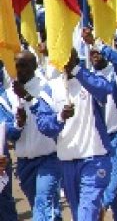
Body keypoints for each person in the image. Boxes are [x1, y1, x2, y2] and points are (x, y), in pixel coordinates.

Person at [35, 49, 112, 221]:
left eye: (72, 59)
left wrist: (77, 70)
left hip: (95, 158)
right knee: (79, 214)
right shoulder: (51, 89)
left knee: (86, 212)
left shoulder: (90, 80)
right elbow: (43, 125)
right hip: (67, 162)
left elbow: (105, 90)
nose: (68, 63)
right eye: (65, 59)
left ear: (77, 60)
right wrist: (60, 117)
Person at [0, 51, 61, 221]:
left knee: (43, 204)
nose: (20, 70)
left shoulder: (46, 88)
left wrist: (27, 97)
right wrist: (19, 124)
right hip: (25, 163)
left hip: (49, 158)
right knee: (43, 208)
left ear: (34, 66)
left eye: (24, 65)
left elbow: (53, 121)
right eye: (17, 66)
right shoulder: (7, 97)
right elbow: (8, 134)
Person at [81, 29, 117, 221]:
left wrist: (97, 43)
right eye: (91, 51)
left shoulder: (115, 73)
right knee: (114, 187)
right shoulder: (88, 76)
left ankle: (100, 210)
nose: (95, 54)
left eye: (98, 51)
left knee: (112, 179)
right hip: (100, 140)